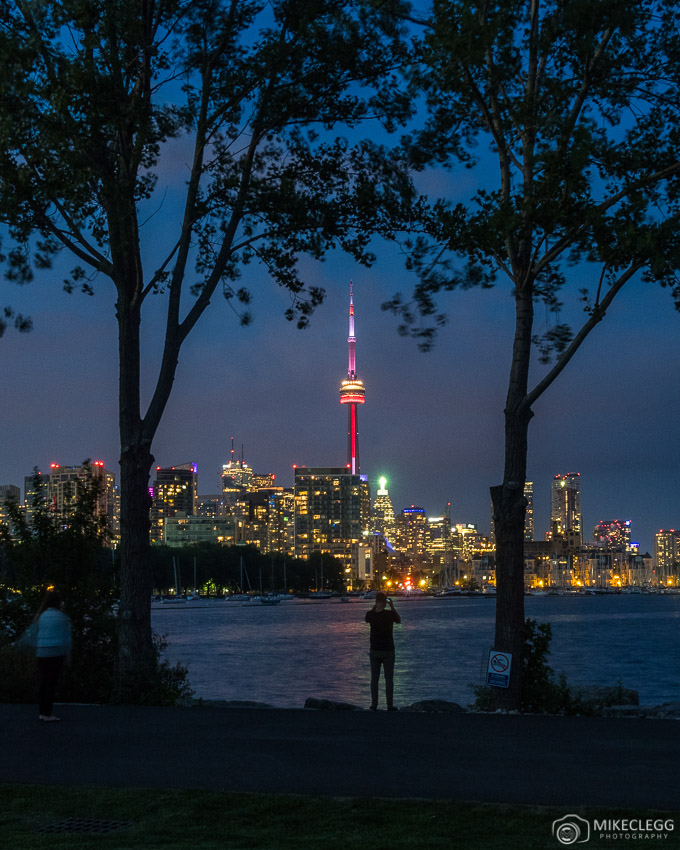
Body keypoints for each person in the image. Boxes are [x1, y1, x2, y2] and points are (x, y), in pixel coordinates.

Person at [34, 590, 72, 722]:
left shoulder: (41, 616)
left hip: (42, 651)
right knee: (51, 683)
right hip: (56, 652)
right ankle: (48, 713)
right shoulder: (63, 617)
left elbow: (35, 633)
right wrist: (68, 654)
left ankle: (42, 712)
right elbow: (67, 638)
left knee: (43, 683)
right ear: (58, 603)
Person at [364, 591, 401, 711]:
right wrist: (392, 606)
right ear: (385, 602)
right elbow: (398, 620)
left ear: (376, 601)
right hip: (388, 650)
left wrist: (376, 606)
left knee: (374, 679)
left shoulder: (370, 615)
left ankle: (374, 704)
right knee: (389, 679)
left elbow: (368, 617)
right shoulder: (390, 614)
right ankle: (389, 705)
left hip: (374, 650)